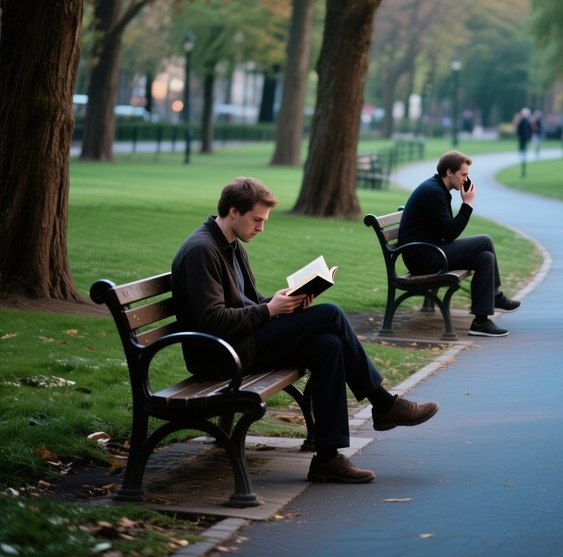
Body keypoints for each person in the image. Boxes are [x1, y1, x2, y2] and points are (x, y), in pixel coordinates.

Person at [170, 176, 439, 484]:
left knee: (328, 345)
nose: (261, 227)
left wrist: (283, 300)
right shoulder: (201, 251)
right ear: (233, 211)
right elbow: (211, 320)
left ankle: (327, 458)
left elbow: (247, 303)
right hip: (220, 356)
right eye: (257, 220)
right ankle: (384, 404)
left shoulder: (231, 246)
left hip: (241, 343)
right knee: (331, 314)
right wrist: (270, 310)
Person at [398, 150, 520, 338]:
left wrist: (463, 206)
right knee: (485, 241)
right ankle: (496, 297)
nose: (466, 179)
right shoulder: (433, 192)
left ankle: (481, 322)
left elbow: (447, 234)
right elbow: (451, 232)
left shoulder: (439, 189)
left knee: (485, 258)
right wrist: (467, 205)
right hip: (423, 257)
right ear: (449, 172)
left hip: (432, 250)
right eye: (463, 174)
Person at [516, 108, 533, 176]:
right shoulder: (522, 121)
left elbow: (530, 130)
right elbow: (519, 130)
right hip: (522, 138)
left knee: (523, 150)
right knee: (521, 149)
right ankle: (522, 157)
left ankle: (523, 158)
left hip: (525, 138)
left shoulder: (527, 121)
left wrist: (529, 137)